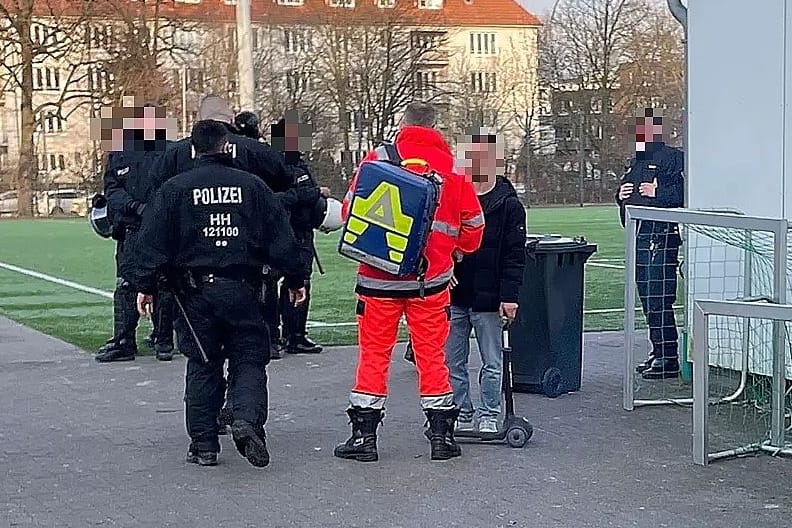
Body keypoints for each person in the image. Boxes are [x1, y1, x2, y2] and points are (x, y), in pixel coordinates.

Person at [128, 120, 309, 467]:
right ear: (227, 146)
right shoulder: (253, 187)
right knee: (250, 358)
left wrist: (144, 286)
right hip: (245, 289)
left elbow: (151, 242)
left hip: (193, 291)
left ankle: (204, 443)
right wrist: (296, 278)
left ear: (193, 149)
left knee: (203, 363)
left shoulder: (174, 189)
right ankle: (245, 417)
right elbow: (280, 238)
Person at [334, 102, 484, 463]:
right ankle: (441, 437)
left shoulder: (377, 160)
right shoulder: (453, 168)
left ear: (403, 125)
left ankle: (364, 438)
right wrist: (452, 251)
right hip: (429, 284)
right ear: (436, 128)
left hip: (376, 281)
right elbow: (475, 228)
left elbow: (347, 213)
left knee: (373, 357)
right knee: (433, 358)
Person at [445, 129, 527, 434]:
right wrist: (445, 268)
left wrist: (510, 296)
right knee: (454, 363)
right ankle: (461, 413)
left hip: (490, 298)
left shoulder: (508, 205)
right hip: (455, 295)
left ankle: (489, 413)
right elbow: (440, 239)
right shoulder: (454, 196)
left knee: (492, 363)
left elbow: (514, 255)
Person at [96, 101, 176, 363]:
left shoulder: (172, 152)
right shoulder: (121, 153)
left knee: (165, 285)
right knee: (127, 285)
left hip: (163, 230)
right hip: (131, 230)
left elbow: (178, 188)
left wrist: (156, 209)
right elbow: (113, 190)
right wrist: (134, 206)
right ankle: (124, 340)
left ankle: (163, 340)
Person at [616, 109, 684, 380]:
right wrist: (619, 196)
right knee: (646, 298)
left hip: (661, 237)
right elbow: (628, 194)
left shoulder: (672, 158)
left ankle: (669, 357)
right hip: (639, 237)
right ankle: (658, 350)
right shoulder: (636, 160)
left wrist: (659, 194)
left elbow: (682, 193)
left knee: (659, 297)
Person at [270, 111, 331, 356]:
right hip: (287, 231)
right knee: (285, 282)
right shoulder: (277, 164)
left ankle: (294, 334)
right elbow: (285, 197)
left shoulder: (297, 162)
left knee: (298, 283)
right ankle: (285, 335)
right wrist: (315, 193)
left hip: (302, 231)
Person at [148, 95, 293, 194]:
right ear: (231, 119)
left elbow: (156, 187)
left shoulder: (174, 154)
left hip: (191, 232)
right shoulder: (258, 150)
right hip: (249, 231)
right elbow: (286, 180)